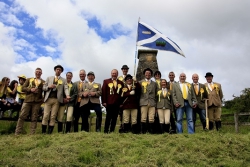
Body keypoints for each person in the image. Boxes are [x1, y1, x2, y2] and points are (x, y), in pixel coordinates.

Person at [15, 68, 45, 135]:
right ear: (35, 72)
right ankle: (17, 132)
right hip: (27, 100)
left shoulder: (43, 82)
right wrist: (30, 90)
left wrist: (42, 100)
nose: (38, 73)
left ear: (41, 73)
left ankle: (32, 133)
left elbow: (45, 92)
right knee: (22, 116)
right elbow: (23, 88)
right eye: (37, 72)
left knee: (34, 118)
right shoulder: (29, 79)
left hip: (37, 102)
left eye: (39, 72)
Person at [42, 65, 70, 134]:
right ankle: (43, 132)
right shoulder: (49, 78)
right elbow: (44, 87)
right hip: (48, 99)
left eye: (60, 70)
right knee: (46, 115)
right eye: (57, 69)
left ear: (61, 71)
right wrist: (49, 87)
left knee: (53, 116)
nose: (58, 70)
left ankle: (49, 132)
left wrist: (67, 95)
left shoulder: (64, 80)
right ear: (55, 70)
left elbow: (66, 88)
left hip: (57, 100)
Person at [102, 69, 124, 133]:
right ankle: (106, 131)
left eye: (115, 73)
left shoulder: (121, 83)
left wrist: (121, 103)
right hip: (109, 103)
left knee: (115, 118)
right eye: (113, 73)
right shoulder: (106, 81)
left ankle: (112, 131)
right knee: (108, 117)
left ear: (117, 74)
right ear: (111, 74)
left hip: (117, 103)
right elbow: (104, 92)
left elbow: (121, 94)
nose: (114, 74)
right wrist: (104, 102)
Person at [139, 68, 157, 134]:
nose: (148, 74)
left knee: (151, 118)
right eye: (146, 73)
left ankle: (151, 132)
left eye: (149, 73)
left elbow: (156, 93)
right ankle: (143, 132)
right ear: (144, 74)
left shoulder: (154, 84)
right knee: (143, 118)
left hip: (152, 102)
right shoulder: (140, 82)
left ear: (151, 75)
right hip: (144, 102)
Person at [117, 65, 129, 133]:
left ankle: (126, 127)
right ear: (122, 70)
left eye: (126, 69)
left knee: (126, 114)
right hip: (121, 97)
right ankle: (121, 126)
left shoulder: (130, 77)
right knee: (120, 114)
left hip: (127, 97)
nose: (125, 70)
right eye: (124, 69)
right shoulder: (119, 78)